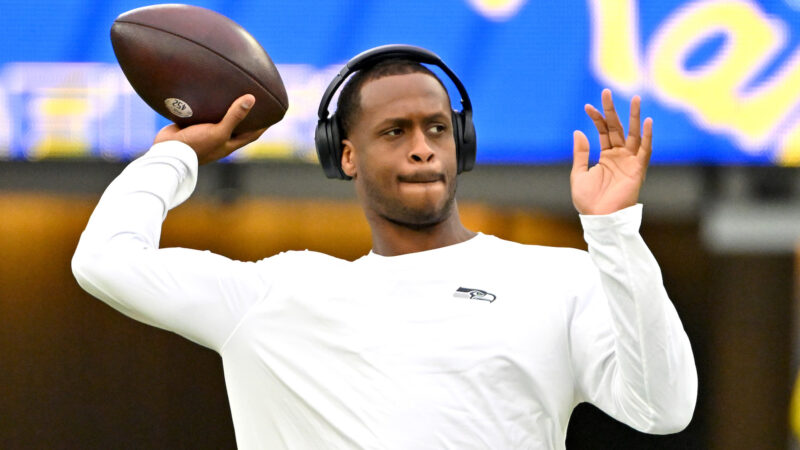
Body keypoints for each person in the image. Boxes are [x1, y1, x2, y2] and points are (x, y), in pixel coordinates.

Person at [72, 46, 697, 449]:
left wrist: (615, 234)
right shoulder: (276, 294)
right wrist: (176, 156)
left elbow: (663, 408)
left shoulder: (559, 277)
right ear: (345, 156)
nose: (422, 147)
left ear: (461, 145)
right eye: (394, 132)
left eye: (437, 129)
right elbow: (104, 261)